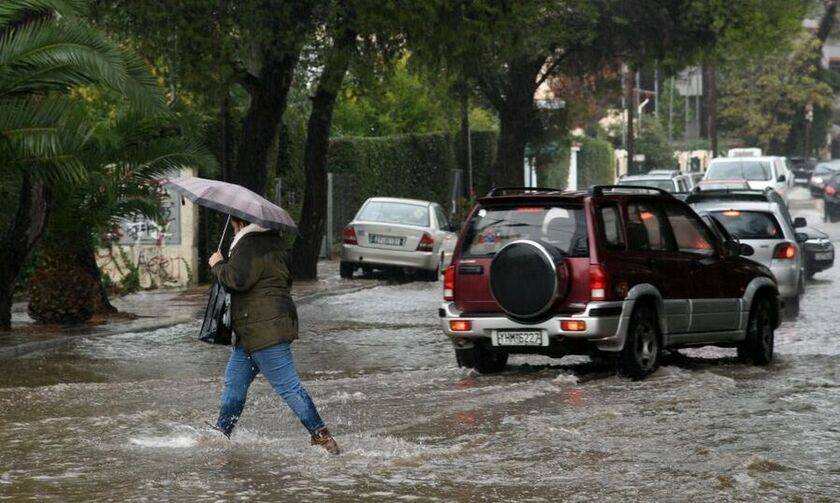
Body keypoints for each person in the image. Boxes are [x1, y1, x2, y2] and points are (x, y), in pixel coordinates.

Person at [208, 215, 340, 454]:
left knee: (289, 386)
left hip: (263, 328)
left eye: (233, 225)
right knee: (234, 385)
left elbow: (237, 280)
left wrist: (218, 264)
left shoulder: (249, 244)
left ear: (239, 223)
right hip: (256, 328)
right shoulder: (274, 242)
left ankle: (323, 437)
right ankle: (221, 435)